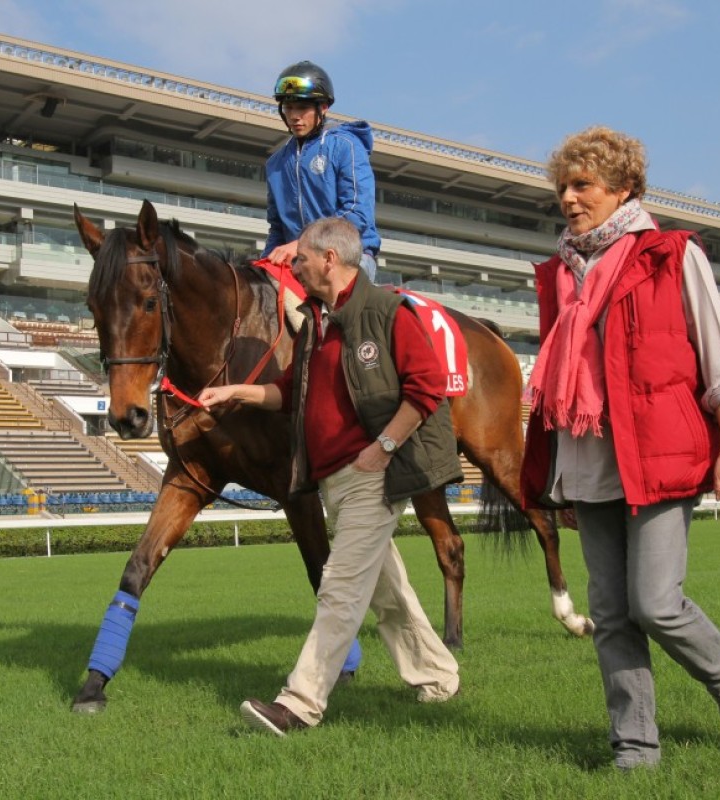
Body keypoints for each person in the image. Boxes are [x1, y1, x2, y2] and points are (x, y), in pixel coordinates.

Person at [521, 126, 720, 769]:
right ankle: (635, 744)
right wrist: (557, 478)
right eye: (563, 188)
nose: (569, 199)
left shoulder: (670, 254)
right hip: (587, 462)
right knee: (611, 613)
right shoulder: (561, 275)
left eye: (584, 186)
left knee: (656, 603)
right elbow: (559, 386)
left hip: (659, 457)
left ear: (623, 188)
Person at [196, 217, 461, 735]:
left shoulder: (387, 311)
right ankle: (437, 674)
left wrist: (382, 449)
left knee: (339, 588)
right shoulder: (317, 321)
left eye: (300, 259)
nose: (293, 266)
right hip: (335, 482)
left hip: (371, 477)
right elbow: (289, 393)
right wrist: (235, 393)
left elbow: (427, 388)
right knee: (387, 592)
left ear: (329, 260)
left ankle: (299, 703)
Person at [263, 61, 381, 281]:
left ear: (323, 107)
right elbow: (277, 229)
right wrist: (261, 264)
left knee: (333, 312)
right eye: (288, 108)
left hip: (350, 258)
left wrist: (303, 245)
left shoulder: (347, 146)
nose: (294, 116)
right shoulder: (275, 164)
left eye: (302, 107)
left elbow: (356, 214)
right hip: (298, 262)